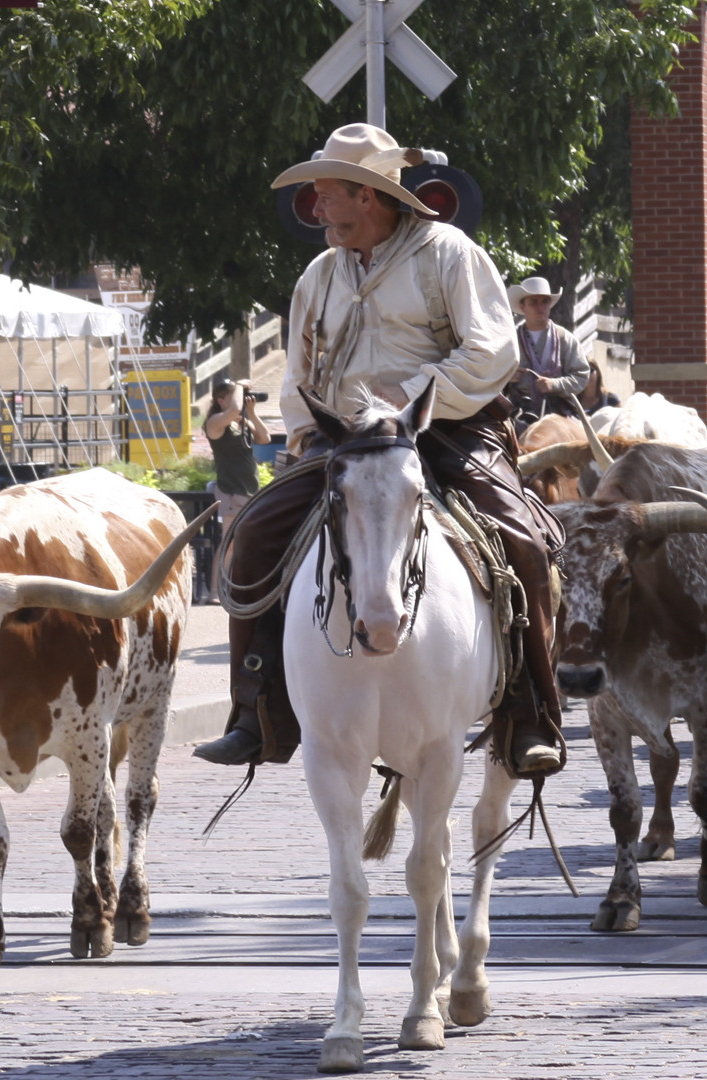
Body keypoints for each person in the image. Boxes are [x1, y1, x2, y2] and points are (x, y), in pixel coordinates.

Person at [195, 123, 567, 779]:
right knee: (253, 535)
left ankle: (529, 712)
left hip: (446, 428)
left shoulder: (447, 252)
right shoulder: (319, 275)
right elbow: (298, 376)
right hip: (343, 443)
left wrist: (416, 390)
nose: (316, 209)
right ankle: (255, 712)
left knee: (525, 542)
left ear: (368, 197)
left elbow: (492, 351)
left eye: (326, 194)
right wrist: (308, 430)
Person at [202, 378, 272, 602]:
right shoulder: (214, 423)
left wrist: (251, 413)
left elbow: (265, 438)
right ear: (220, 400)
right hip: (231, 490)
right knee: (229, 543)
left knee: (250, 541)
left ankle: (242, 589)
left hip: (249, 491)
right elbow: (234, 409)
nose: (239, 401)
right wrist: (240, 385)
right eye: (234, 396)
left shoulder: (239, 422)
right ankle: (214, 592)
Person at [505, 276, 589, 420]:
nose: (541, 307)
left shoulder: (565, 338)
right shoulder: (509, 341)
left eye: (545, 302)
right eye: (534, 302)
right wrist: (506, 378)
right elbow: (492, 376)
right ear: (522, 307)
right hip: (519, 410)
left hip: (560, 411)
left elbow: (581, 376)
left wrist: (554, 384)